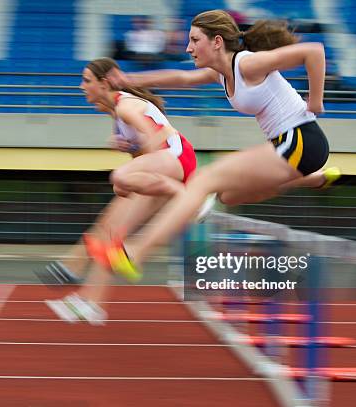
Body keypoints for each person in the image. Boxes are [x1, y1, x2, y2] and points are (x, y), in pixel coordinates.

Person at [85, 10, 341, 281]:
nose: (188, 48)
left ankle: (136, 252)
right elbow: (181, 78)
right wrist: (130, 81)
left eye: (195, 40)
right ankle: (311, 179)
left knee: (204, 180)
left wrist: (315, 102)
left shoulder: (247, 64)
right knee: (229, 196)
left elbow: (313, 51)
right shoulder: (221, 74)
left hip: (300, 138)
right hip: (292, 148)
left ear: (217, 41)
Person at [44, 57, 210, 324]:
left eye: (86, 81)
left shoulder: (125, 106)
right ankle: (91, 303)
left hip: (177, 158)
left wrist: (139, 162)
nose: (80, 87)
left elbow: (158, 136)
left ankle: (191, 198)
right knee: (112, 233)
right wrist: (132, 149)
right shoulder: (116, 114)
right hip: (166, 165)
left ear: (104, 82)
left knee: (120, 177)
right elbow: (147, 149)